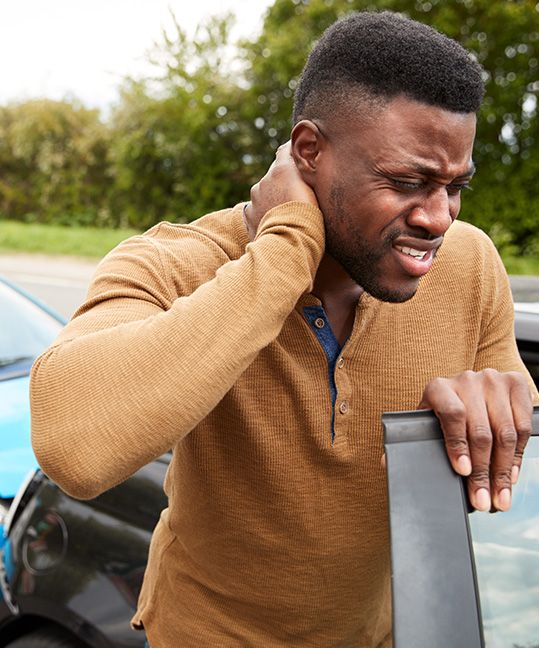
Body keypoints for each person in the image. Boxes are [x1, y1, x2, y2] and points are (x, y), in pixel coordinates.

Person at [30, 10, 537, 648]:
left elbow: (511, 399)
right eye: (407, 182)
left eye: (453, 186)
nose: (438, 218)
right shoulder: (172, 265)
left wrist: (494, 407)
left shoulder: (470, 264)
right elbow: (74, 448)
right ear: (308, 153)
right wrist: (286, 248)